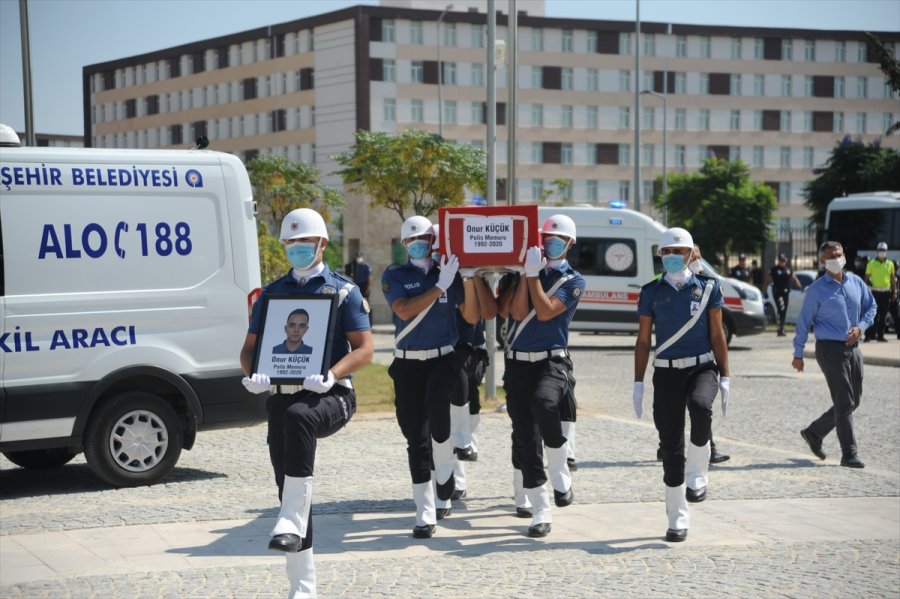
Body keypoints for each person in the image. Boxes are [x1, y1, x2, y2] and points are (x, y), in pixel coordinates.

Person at [240, 208, 373, 598]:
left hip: (331, 394)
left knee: (300, 418)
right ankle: (303, 588)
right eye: (291, 244)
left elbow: (365, 349)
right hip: (280, 396)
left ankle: (289, 525)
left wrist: (332, 374)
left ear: (322, 244)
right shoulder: (271, 294)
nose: (297, 249)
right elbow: (249, 349)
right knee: (290, 491)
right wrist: (252, 374)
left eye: (304, 243)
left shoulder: (344, 291)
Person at [381, 215, 482, 539]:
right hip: (409, 363)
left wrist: (465, 278)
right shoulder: (395, 274)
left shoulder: (447, 271)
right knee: (416, 439)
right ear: (404, 244)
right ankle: (425, 511)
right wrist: (439, 286)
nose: (419, 244)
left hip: (443, 359)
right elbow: (403, 310)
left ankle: (446, 476)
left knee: (440, 419)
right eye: (412, 240)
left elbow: (470, 316)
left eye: (424, 238)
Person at [633, 227, 730, 543]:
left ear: (691, 254)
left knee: (701, 407)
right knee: (671, 446)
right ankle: (677, 517)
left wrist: (725, 375)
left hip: (702, 367)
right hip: (666, 373)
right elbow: (644, 339)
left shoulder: (708, 288)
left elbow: (717, 334)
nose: (674, 258)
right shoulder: (651, 291)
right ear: (660, 255)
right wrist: (638, 381)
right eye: (668, 253)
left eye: (680, 252)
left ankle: (699, 473)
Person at [500, 214, 585, 538]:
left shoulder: (574, 280)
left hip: (552, 361)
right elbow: (518, 312)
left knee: (545, 403)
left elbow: (548, 310)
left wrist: (534, 276)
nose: (550, 244)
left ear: (569, 244)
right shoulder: (523, 273)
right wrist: (525, 274)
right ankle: (540, 509)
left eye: (557, 239)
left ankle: (561, 469)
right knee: (525, 439)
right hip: (518, 363)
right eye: (546, 237)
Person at [794, 241, 875, 469]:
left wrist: (861, 327)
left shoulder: (856, 282)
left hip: (854, 348)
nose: (837, 258)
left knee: (853, 401)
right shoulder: (816, 290)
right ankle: (849, 453)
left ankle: (814, 432)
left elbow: (872, 307)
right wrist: (798, 353)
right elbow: (803, 323)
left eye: (839, 254)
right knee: (844, 401)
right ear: (822, 262)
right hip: (830, 349)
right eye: (831, 256)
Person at [864, 242, 896, 342]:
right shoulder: (871, 263)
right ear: (877, 251)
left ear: (886, 252)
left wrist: (894, 291)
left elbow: (892, 279)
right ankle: (868, 335)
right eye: (880, 250)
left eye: (884, 250)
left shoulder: (890, 264)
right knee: (873, 314)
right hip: (875, 292)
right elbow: (866, 278)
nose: (882, 252)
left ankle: (880, 336)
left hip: (886, 292)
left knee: (883, 315)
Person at [767, 254, 802, 337]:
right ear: (778, 261)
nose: (783, 262)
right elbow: (767, 280)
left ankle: (781, 328)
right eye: (781, 261)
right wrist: (765, 291)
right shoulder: (774, 269)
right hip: (777, 292)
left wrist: (799, 286)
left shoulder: (788, 269)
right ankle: (780, 329)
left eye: (784, 261)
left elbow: (794, 279)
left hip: (786, 292)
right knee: (781, 308)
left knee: (784, 310)